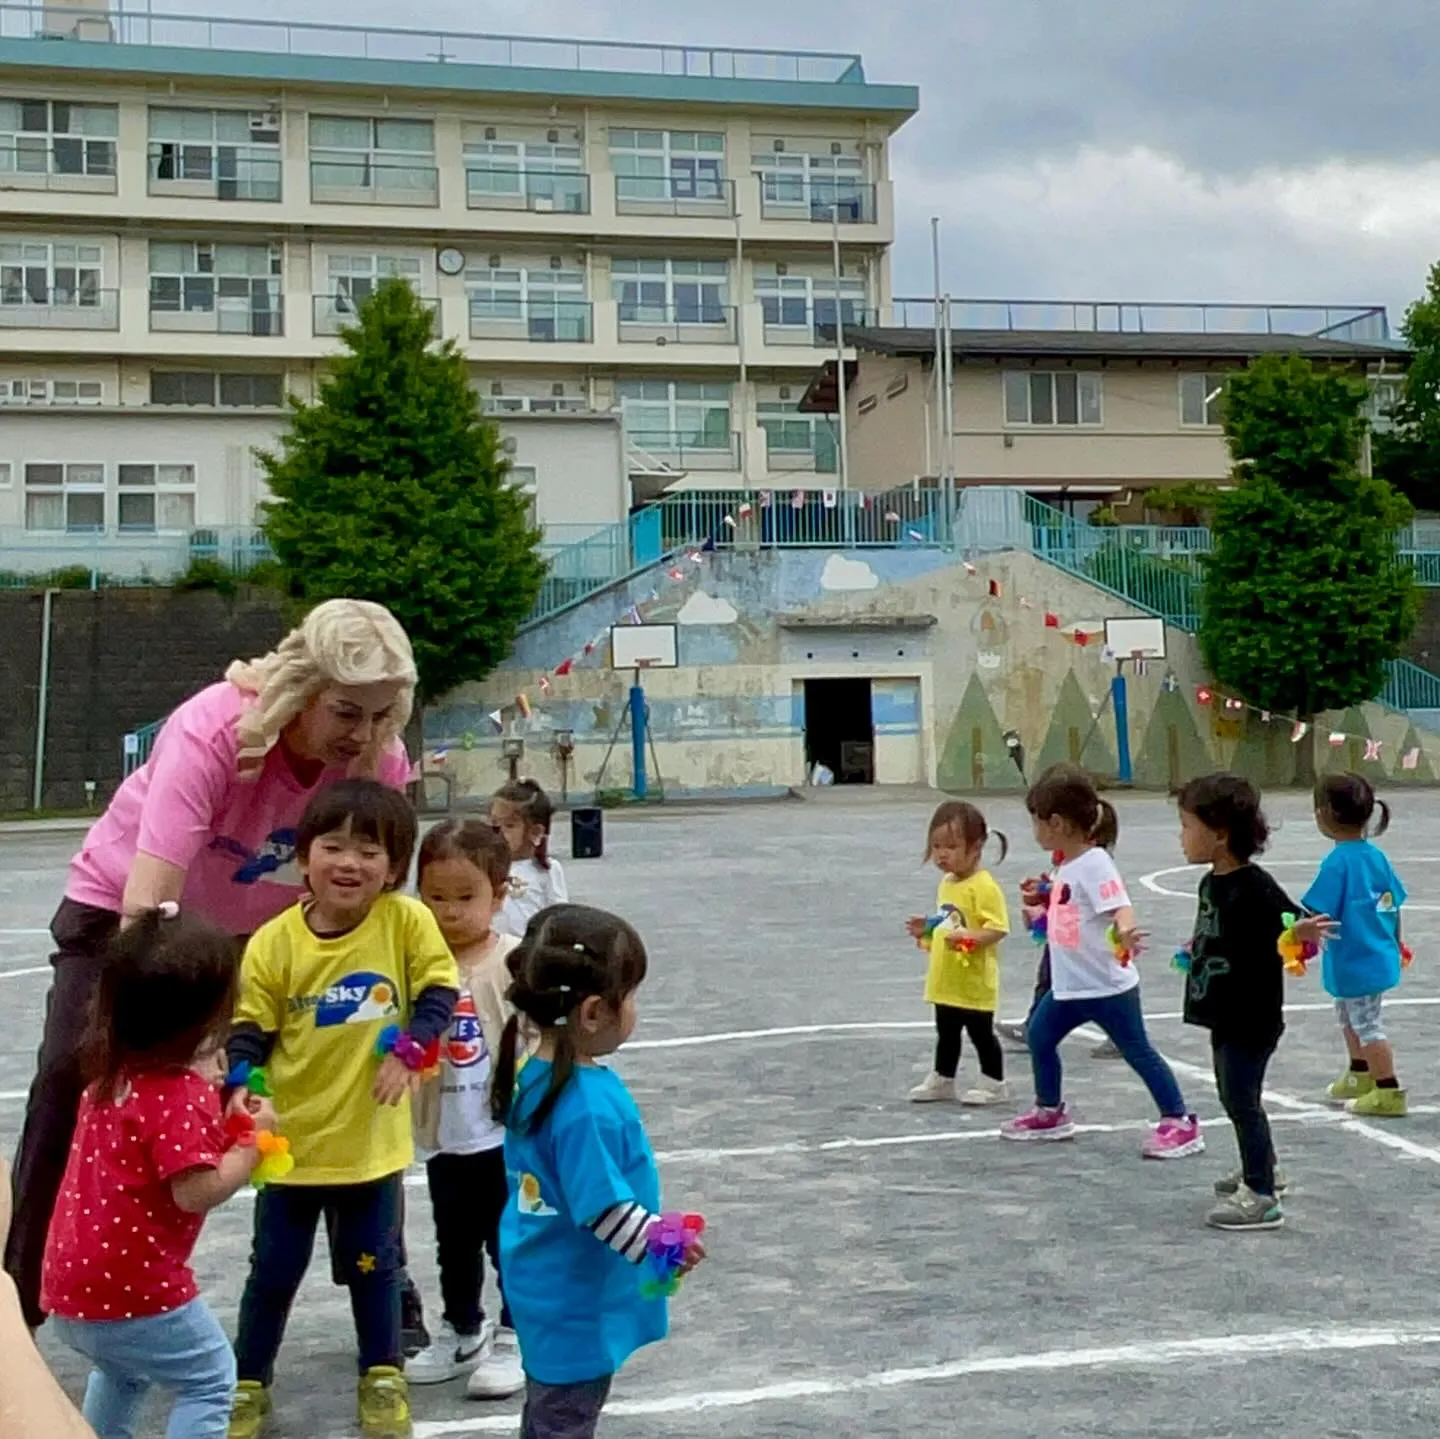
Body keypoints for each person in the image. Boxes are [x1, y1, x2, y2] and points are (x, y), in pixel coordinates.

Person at [7, 598, 418, 1333]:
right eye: (346, 712)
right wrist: (168, 1039)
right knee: (78, 1074)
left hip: (257, 934)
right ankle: (20, 1298)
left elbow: (376, 897)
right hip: (130, 914)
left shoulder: (381, 758)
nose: (363, 736)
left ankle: (388, 1285)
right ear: (302, 688)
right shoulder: (214, 728)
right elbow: (149, 898)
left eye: (382, 714)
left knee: (339, 1071)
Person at [225, 780, 460, 1439]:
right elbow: (251, 1029)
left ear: (393, 867)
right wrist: (243, 1084)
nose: (349, 862)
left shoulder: (405, 921)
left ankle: (381, 1373)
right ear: (304, 856)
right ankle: (247, 1382)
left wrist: (411, 1049)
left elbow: (440, 987)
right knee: (271, 1272)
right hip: (291, 1149)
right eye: (332, 845)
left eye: (369, 849)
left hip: (368, 1151)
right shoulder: (275, 942)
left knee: (374, 1268)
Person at [41, 905, 268, 1438]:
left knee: (123, 1372)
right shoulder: (177, 1094)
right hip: (136, 1289)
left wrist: (225, 1118)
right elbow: (195, 1190)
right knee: (210, 1378)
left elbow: (153, 1149)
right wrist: (251, 1149)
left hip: (71, 1289)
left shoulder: (109, 1075)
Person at [491, 904, 704, 1439]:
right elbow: (602, 1210)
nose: (633, 1008)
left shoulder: (537, 1070)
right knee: (565, 1417)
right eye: (628, 995)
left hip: (546, 1285)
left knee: (551, 1412)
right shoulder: (581, 1102)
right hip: (574, 1301)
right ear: (592, 1013)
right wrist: (664, 1244)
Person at [1001, 770, 1203, 1157]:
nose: (1035, 829)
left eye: (1036, 820)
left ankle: (1180, 1120)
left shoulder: (1094, 864)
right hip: (1069, 986)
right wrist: (1039, 913)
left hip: (1107, 988)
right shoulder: (1067, 866)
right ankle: (1050, 1110)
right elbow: (1072, 912)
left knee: (1138, 1051)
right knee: (1040, 1037)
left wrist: (1126, 930)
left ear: (1055, 823)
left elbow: (1119, 906)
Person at [1176, 775, 1330, 1230]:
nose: (1181, 836)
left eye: (1187, 826)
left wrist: (1298, 932)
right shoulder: (1212, 884)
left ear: (1220, 833)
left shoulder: (1255, 885)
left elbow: (1293, 922)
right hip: (1224, 1010)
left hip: (1250, 1015)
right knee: (1233, 1094)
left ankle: (1261, 1194)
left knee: (1241, 1099)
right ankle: (1265, 1168)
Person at [406, 820, 525, 1399]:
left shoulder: (515, 962)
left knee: (512, 1238)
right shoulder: (414, 962)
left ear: (500, 894)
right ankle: (461, 1327)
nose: (450, 912)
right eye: (436, 897)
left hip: (506, 1134)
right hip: (444, 1133)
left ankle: (516, 1331)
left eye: (466, 897)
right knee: (452, 1238)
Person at [1303, 774, 1408, 1118]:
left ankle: (1388, 1089)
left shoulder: (1338, 862)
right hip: (1368, 955)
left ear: (1323, 814)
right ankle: (1360, 1073)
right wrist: (1396, 941)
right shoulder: (1375, 857)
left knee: (1366, 1024)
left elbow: (1317, 910)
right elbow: (1393, 904)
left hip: (1359, 959)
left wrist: (1295, 932)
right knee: (1349, 1015)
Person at [905, 801, 1011, 1105]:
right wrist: (927, 927)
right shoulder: (947, 883)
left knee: (980, 1033)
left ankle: (994, 1082)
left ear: (976, 847)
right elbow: (949, 917)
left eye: (951, 846)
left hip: (974, 980)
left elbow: (998, 928)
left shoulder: (984, 886)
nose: (941, 854)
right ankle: (943, 1078)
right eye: (936, 846)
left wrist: (972, 938)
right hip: (947, 977)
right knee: (947, 1031)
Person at [491, 780, 568, 938]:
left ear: (535, 832)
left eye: (509, 825)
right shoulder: (486, 864)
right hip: (495, 950)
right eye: (494, 824)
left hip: (529, 951)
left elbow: (558, 915)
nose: (498, 832)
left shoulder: (547, 869)